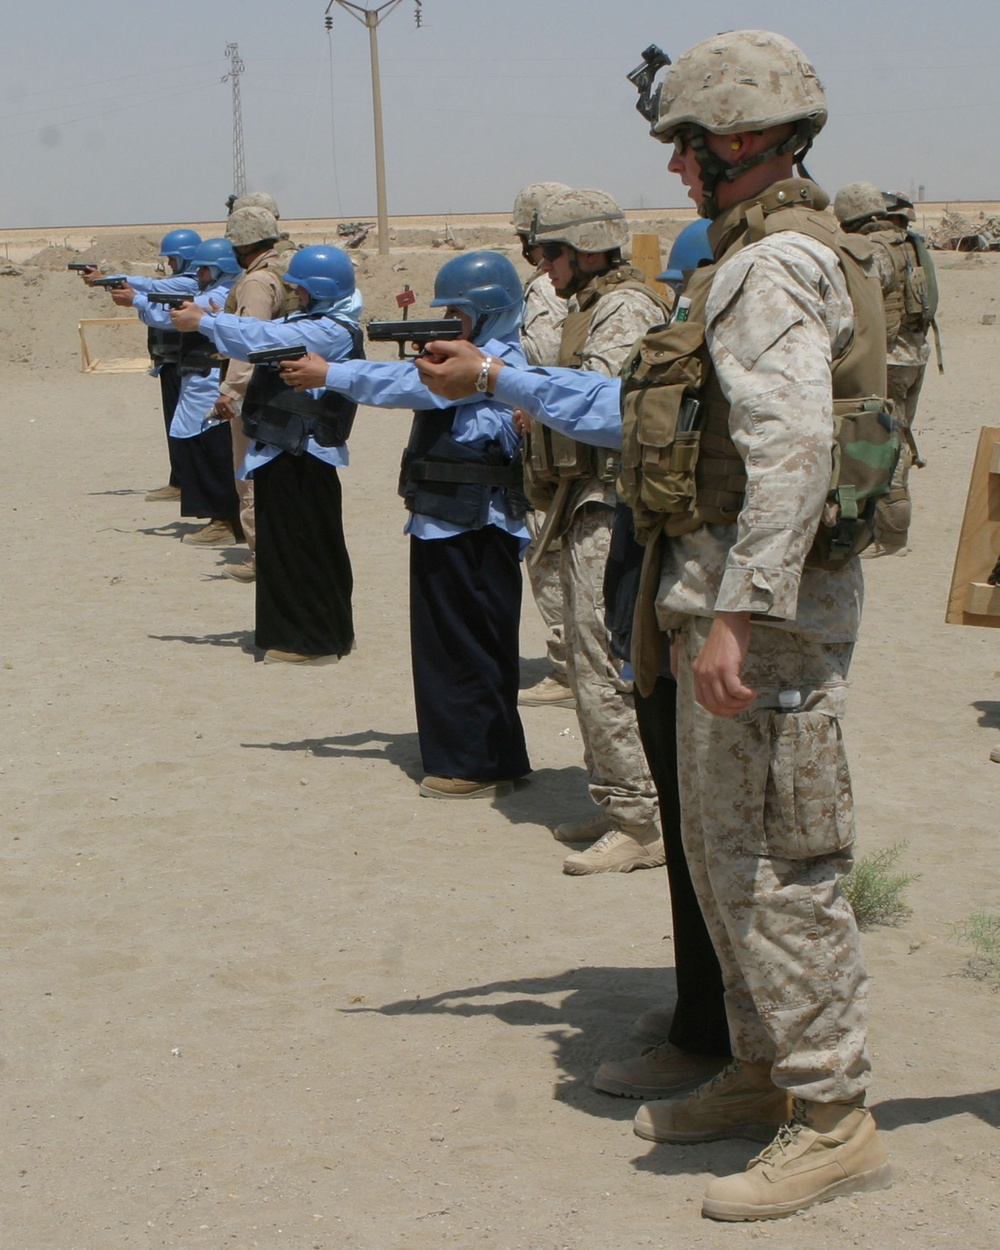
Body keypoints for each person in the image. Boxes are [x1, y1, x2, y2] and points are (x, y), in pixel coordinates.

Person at [415, 28, 892, 1222]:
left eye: (687, 147)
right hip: (720, 608)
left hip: (759, 626)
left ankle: (832, 1113)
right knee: (724, 862)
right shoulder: (757, 254)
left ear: (741, 139)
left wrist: (736, 614)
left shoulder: (773, 266)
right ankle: (756, 1066)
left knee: (781, 872)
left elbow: (791, 455)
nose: (676, 173)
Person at [280, 251, 531, 799]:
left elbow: (401, 384)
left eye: (457, 315)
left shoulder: (487, 364)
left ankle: (470, 765)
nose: (448, 325)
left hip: (469, 523)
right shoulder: (492, 360)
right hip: (453, 518)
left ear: (485, 312)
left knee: (460, 645)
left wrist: (331, 374)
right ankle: (493, 756)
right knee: (471, 642)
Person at [593, 215, 731, 1096]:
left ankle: (714, 1035)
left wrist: (496, 378)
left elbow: (602, 412)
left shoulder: (729, 355)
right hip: (675, 603)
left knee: (713, 840)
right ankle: (699, 1014)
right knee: (693, 838)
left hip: (707, 615)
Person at [525, 186, 668, 874]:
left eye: (549, 251)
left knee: (602, 658)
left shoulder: (625, 308)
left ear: (584, 249)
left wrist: (515, 385)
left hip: (614, 503)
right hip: (587, 496)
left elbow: (601, 405)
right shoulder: (593, 304)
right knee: (588, 660)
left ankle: (641, 820)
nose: (541, 265)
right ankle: (621, 802)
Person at [170, 245, 363, 663]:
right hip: (283, 447)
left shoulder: (330, 330)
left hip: (302, 451)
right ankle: (309, 632)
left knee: (302, 546)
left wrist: (206, 322)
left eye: (300, 289)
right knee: (288, 547)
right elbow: (261, 338)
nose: (294, 294)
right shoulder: (315, 321)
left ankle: (312, 641)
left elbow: (266, 336)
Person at [834, 181, 941, 556]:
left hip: (888, 359)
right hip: (917, 355)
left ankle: (890, 534)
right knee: (903, 438)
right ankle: (893, 530)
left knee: (880, 443)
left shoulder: (873, 251)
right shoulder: (911, 243)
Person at [112, 238, 241, 541]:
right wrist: (138, 300)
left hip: (210, 377)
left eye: (204, 269)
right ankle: (222, 518)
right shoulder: (213, 290)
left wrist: (138, 300)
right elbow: (172, 312)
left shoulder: (222, 293)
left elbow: (187, 314)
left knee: (212, 447)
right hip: (198, 375)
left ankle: (224, 521)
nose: (199, 275)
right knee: (197, 441)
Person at [207, 206, 299, 572]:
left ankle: (263, 554)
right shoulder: (282, 270)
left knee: (249, 476)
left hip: (256, 391)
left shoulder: (257, 282)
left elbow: (251, 342)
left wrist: (230, 391)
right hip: (281, 388)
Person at [79, 228, 203, 502]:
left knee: (184, 425)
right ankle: (180, 479)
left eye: (173, 258)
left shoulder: (189, 284)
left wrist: (105, 280)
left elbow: (152, 287)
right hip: (171, 361)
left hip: (182, 362)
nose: (169, 263)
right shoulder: (182, 281)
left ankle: (185, 482)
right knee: (176, 423)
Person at [511, 181, 574, 709]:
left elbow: (546, 351)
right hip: (569, 430)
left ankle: (566, 664)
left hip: (555, 435)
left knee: (547, 549)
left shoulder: (545, 288)